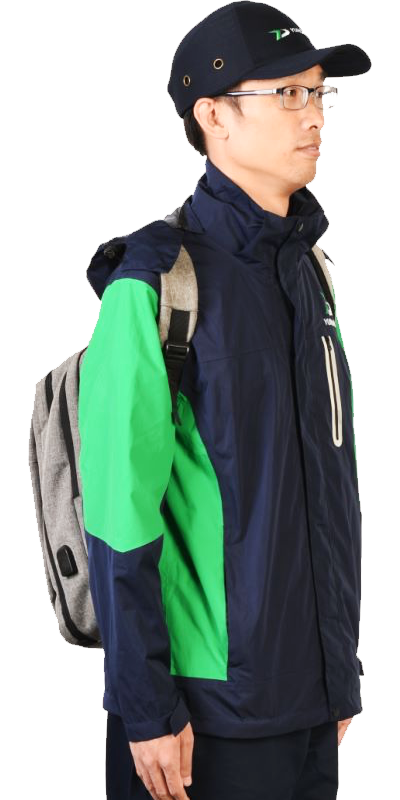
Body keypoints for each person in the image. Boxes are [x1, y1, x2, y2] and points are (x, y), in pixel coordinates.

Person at [77, 2, 371, 798]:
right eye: (288, 94)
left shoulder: (310, 273)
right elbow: (117, 514)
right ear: (212, 116)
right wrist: (145, 706)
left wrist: (335, 672)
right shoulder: (154, 281)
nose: (314, 116)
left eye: (319, 92)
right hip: (201, 721)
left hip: (309, 706)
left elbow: (326, 492)